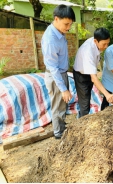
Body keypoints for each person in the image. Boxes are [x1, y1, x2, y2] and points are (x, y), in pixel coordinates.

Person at [42, 4, 75, 139]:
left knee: (62, 104)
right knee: (57, 105)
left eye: (70, 25)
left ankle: (61, 127)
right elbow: (53, 67)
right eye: (66, 24)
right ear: (56, 19)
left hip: (62, 73)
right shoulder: (51, 39)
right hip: (55, 75)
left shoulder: (60, 32)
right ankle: (58, 134)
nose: (68, 28)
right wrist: (63, 88)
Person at [73, 27, 113, 118]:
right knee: (84, 103)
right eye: (104, 44)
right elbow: (94, 78)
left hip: (88, 73)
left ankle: (81, 115)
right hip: (81, 76)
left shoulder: (96, 42)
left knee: (87, 97)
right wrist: (107, 94)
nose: (106, 46)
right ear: (96, 41)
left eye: (108, 43)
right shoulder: (88, 51)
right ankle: (82, 123)